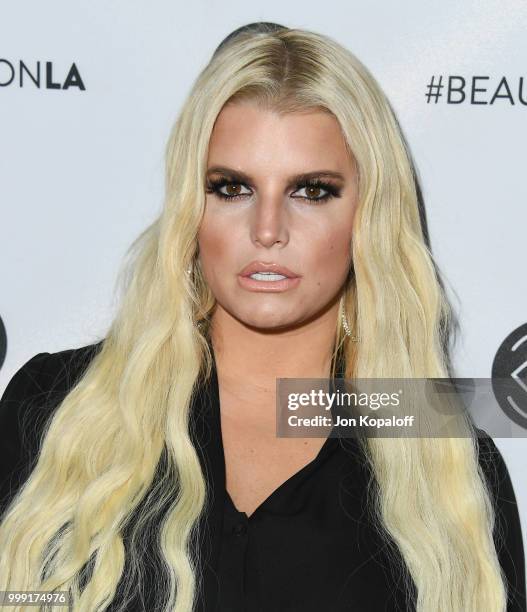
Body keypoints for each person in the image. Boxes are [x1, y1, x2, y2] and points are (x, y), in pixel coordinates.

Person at [0, 22, 525, 612]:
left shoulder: (445, 461)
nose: (267, 230)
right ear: (189, 207)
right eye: (232, 188)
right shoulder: (55, 406)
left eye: (312, 191)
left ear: (370, 214)